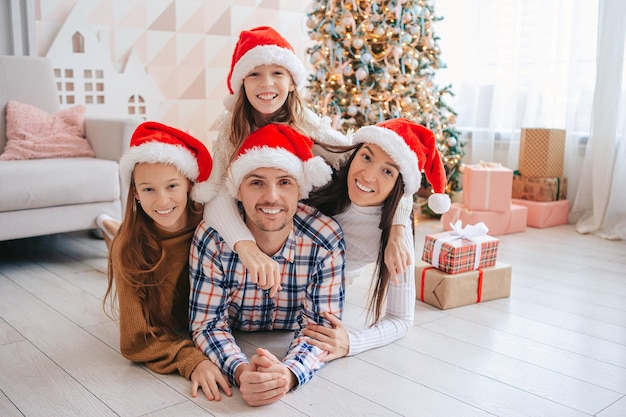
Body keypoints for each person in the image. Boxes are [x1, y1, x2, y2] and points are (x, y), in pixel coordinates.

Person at [191, 25, 415, 295]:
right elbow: (215, 195)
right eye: (254, 74)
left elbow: (382, 162)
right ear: (242, 83)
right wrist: (246, 246)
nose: (267, 84)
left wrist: (398, 229)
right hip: (254, 220)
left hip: (294, 225)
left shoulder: (305, 122)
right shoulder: (232, 130)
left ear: (292, 81)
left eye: (277, 73)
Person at [189, 123, 346, 407]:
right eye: (256, 182)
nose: (272, 196)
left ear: (301, 190)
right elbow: (207, 324)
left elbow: (320, 329)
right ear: (238, 191)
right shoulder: (212, 239)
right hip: (236, 337)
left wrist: (287, 373)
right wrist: (240, 370)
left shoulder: (325, 238)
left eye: (285, 182)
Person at [102, 121, 232, 402]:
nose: (162, 200)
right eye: (148, 189)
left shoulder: (212, 222)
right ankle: (110, 229)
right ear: (135, 192)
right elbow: (135, 339)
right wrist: (191, 359)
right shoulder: (130, 251)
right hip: (134, 241)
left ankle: (110, 227)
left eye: (171, 185)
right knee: (119, 243)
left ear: (188, 183)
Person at [303, 118, 451, 359]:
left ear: (399, 184)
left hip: (321, 289)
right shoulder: (339, 163)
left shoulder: (396, 242)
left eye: (387, 171)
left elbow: (401, 319)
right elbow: (301, 120)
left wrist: (350, 342)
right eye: (366, 157)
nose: (368, 176)